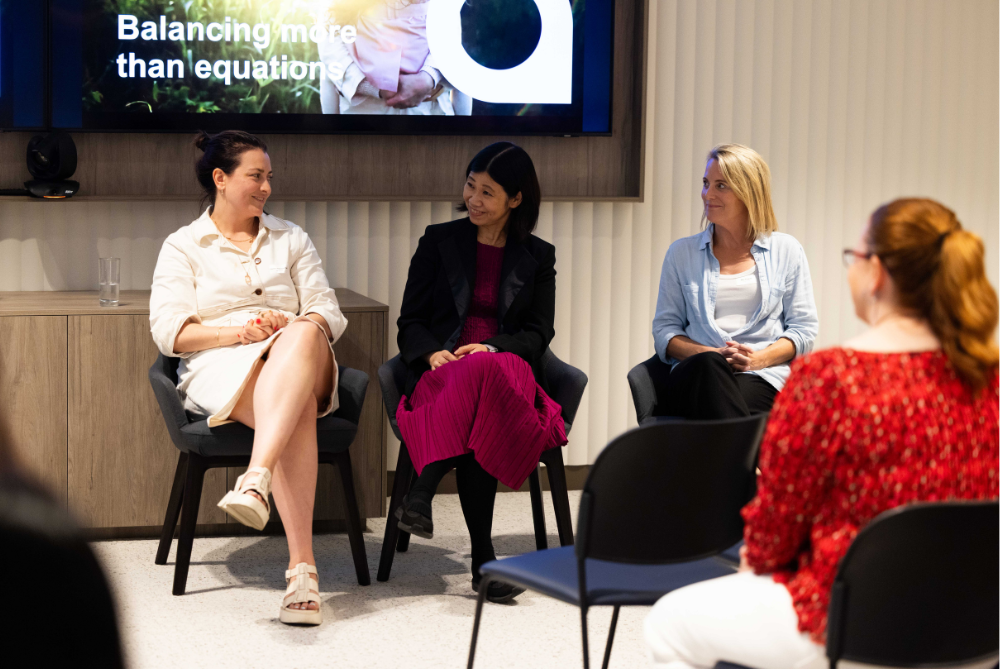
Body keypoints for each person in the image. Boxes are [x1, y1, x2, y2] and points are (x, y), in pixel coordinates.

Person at [644, 197, 999, 668]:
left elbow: (773, 540)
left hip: (857, 625)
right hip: (977, 629)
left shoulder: (831, 378)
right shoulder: (989, 378)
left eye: (854, 256)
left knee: (669, 621)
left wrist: (754, 562)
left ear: (876, 273)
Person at [149, 130, 348, 626]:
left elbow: (327, 310)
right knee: (296, 407)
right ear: (220, 178)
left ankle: (256, 477)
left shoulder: (291, 237)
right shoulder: (184, 245)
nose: (266, 188)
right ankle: (302, 571)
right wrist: (241, 332)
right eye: (256, 176)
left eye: (269, 177)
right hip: (225, 364)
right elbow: (171, 333)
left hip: (302, 354)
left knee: (304, 330)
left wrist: (291, 326)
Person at [393, 141, 566, 602]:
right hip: (443, 375)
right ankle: (483, 564)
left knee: (487, 370)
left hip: (508, 373)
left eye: (487, 192)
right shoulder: (438, 241)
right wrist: (432, 354)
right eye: (471, 185)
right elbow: (410, 321)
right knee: (479, 416)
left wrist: (490, 347)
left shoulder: (539, 256)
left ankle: (424, 487)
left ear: (516, 199)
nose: (473, 198)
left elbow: (538, 332)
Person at [651, 144, 818, 419]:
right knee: (710, 368)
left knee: (729, 406)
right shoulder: (681, 253)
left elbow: (803, 329)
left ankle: (735, 449)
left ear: (748, 192)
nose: (707, 194)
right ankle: (747, 450)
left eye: (721, 186)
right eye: (706, 183)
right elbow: (665, 330)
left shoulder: (787, 250)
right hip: (695, 374)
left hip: (761, 375)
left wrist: (758, 359)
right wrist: (710, 355)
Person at [317, 0, 470, 115]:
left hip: (430, 112)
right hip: (363, 114)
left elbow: (452, 32)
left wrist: (428, 77)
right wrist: (374, 87)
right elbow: (330, 37)